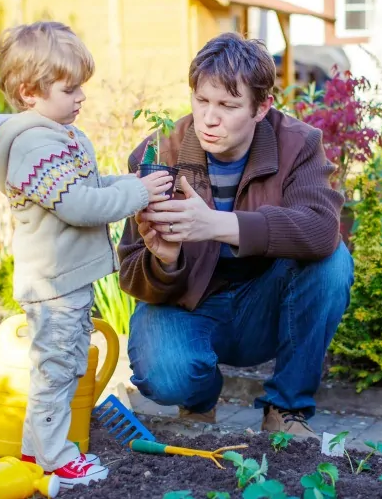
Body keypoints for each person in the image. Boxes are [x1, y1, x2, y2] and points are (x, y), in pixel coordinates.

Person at [118, 32, 354, 439]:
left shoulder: (298, 143)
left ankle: (285, 410)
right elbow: (130, 270)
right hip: (190, 304)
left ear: (262, 106)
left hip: (265, 303)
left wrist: (215, 225)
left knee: (334, 261)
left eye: (228, 105)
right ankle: (198, 402)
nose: (209, 118)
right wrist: (166, 260)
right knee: (163, 374)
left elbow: (319, 230)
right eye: (202, 100)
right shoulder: (158, 154)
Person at [0, 21, 173, 488]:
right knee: (58, 371)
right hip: (54, 283)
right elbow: (80, 205)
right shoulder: (33, 145)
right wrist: (138, 194)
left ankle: (36, 451)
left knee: (60, 367)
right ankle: (55, 459)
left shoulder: (57, 134)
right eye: (70, 88)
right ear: (29, 92)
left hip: (67, 280)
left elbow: (88, 186)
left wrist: (132, 185)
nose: (82, 97)